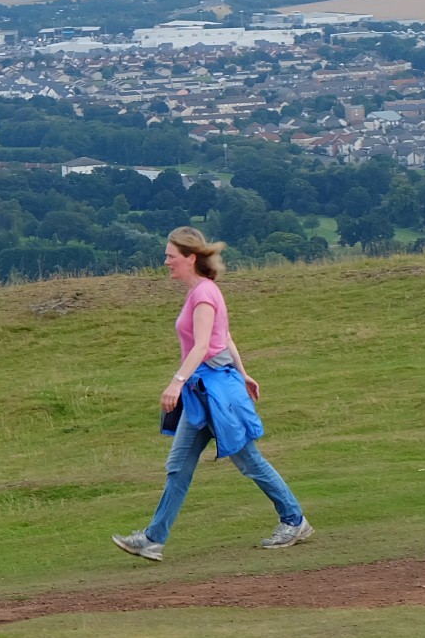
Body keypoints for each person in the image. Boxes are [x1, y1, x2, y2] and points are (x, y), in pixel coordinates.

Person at [113, 226, 312, 561]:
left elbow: (205, 345)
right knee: (178, 466)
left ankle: (295, 521)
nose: (166, 262)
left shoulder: (204, 294)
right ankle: (152, 539)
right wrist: (244, 372)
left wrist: (176, 381)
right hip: (201, 393)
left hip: (214, 392)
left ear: (190, 258)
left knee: (249, 461)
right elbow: (226, 336)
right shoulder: (200, 293)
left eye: (171, 256)